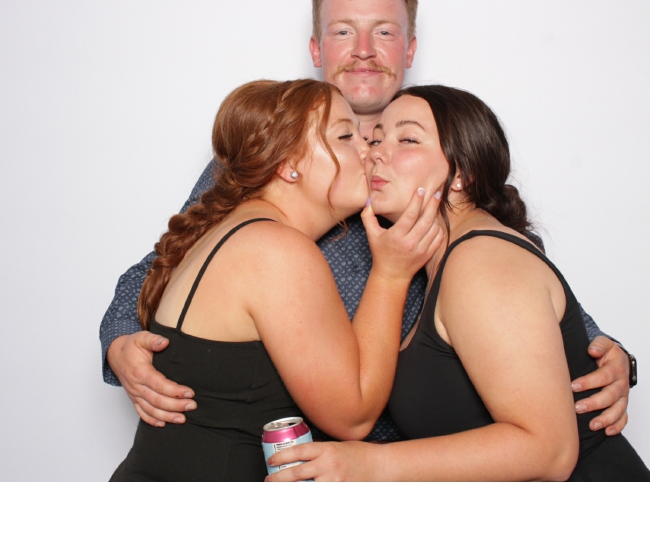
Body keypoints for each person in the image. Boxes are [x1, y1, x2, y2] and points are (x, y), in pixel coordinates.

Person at [99, 0, 636, 445]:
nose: (363, 50)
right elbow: (169, 260)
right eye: (343, 32)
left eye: (383, 32)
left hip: (429, 447)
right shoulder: (265, 151)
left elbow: (512, 272)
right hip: (299, 448)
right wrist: (121, 343)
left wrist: (602, 350)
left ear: (410, 49)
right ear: (316, 49)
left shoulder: (444, 148)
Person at [267, 85, 650, 480]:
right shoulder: (444, 261)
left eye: (408, 139)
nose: (375, 153)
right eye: (377, 139)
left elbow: (550, 452)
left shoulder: (480, 260)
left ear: (463, 174)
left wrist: (367, 464)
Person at [111, 79, 445, 479]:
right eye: (345, 136)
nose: (367, 150)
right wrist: (391, 274)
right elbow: (353, 417)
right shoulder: (276, 250)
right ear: (288, 165)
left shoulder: (236, 229)